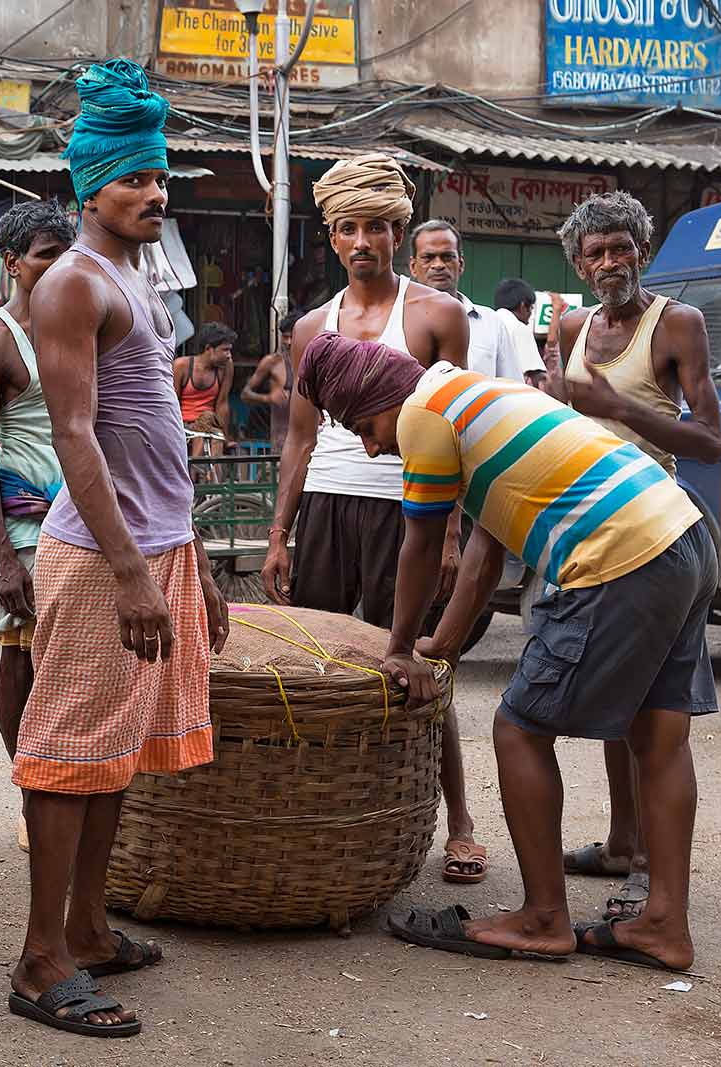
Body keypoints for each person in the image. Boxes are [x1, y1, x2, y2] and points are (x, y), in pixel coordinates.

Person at [299, 333, 719, 974]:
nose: (372, 445)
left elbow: (418, 548)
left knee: (519, 729)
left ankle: (543, 918)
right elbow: (483, 554)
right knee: (659, 737)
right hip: (681, 533)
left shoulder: (423, 413)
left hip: (618, 555)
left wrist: (400, 649)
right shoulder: (473, 393)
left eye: (363, 425)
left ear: (382, 396)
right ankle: (664, 924)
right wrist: (440, 645)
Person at [8, 59, 229, 1039]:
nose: (151, 193)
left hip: (153, 545)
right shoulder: (70, 283)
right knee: (66, 752)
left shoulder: (137, 278)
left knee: (112, 758)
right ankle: (38, 957)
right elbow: (74, 436)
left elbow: (155, 435)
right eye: (133, 178)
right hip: (103, 557)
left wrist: (193, 561)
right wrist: (135, 568)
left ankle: (89, 926)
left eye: (159, 177)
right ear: (89, 183)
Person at [259, 153, 487, 886]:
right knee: (317, 667)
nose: (364, 241)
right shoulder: (309, 327)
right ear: (331, 237)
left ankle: (459, 822)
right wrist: (279, 533)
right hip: (327, 502)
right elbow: (299, 436)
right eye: (349, 228)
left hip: (410, 510)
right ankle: (314, 814)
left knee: (419, 660)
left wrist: (451, 530)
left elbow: (456, 426)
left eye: (378, 228)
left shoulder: (437, 314)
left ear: (399, 233)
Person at [545, 191, 721, 922]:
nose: (612, 261)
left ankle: (651, 866)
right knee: (617, 704)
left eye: (623, 246)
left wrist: (619, 408)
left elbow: (710, 440)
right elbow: (558, 417)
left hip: (657, 532)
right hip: (590, 535)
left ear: (642, 250)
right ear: (579, 264)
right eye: (598, 252)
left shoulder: (677, 323)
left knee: (656, 714)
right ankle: (622, 841)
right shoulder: (568, 326)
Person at [0, 199, 76, 852]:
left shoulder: (82, 327)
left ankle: (65, 785)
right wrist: (3, 556)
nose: (59, 268)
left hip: (80, 518)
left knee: (72, 663)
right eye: (44, 256)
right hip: (26, 522)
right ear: (12, 262)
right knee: (22, 660)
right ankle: (33, 793)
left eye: (66, 255)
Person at [409, 221, 545, 388]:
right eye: (428, 258)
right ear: (413, 266)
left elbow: (512, 389)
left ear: (461, 264)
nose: (438, 265)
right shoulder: (397, 319)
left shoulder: (492, 324)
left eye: (447, 257)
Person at [173, 321, 235, 457]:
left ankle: (214, 478)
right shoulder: (181, 366)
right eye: (225, 350)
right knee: (202, 435)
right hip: (183, 424)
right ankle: (193, 476)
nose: (229, 355)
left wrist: (225, 435)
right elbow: (173, 402)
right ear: (208, 349)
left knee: (216, 437)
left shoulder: (226, 367)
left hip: (210, 423)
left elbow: (222, 403)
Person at [241, 312, 298, 451]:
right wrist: (268, 398)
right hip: (281, 437)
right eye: (285, 337)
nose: (289, 342)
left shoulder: (312, 360)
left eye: (293, 337)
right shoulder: (272, 362)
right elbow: (245, 394)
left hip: (308, 434)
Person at [492, 277, 549, 390]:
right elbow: (537, 377)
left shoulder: (488, 323)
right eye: (531, 308)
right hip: (511, 397)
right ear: (523, 306)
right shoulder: (519, 328)